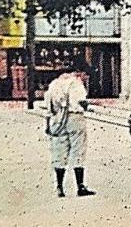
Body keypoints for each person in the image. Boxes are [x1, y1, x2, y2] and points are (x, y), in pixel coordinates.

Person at [43, 64, 96, 197]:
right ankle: (80, 186)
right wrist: (88, 106)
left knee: (59, 151)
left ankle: (60, 187)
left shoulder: (54, 84)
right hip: (74, 118)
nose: (85, 78)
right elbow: (80, 101)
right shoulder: (76, 83)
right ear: (79, 72)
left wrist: (48, 124)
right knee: (78, 150)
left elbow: (49, 106)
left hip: (57, 119)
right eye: (85, 75)